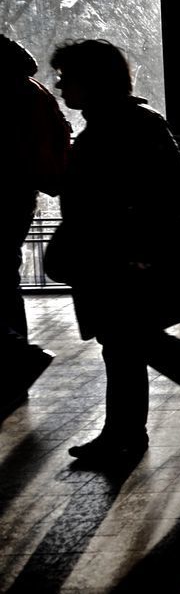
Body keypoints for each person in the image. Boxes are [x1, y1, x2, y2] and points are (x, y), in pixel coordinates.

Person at [48, 40, 180, 466]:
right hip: (127, 254)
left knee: (124, 338)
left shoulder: (115, 127)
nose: (59, 86)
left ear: (91, 81)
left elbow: (151, 196)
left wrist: (137, 247)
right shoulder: (128, 122)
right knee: (126, 339)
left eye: (66, 78)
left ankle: (132, 429)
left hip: (127, 256)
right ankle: (139, 425)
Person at [1, 34, 65, 414]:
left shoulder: (2, 94)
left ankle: (16, 362)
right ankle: (14, 367)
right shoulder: (31, 91)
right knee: (3, 281)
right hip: (17, 199)